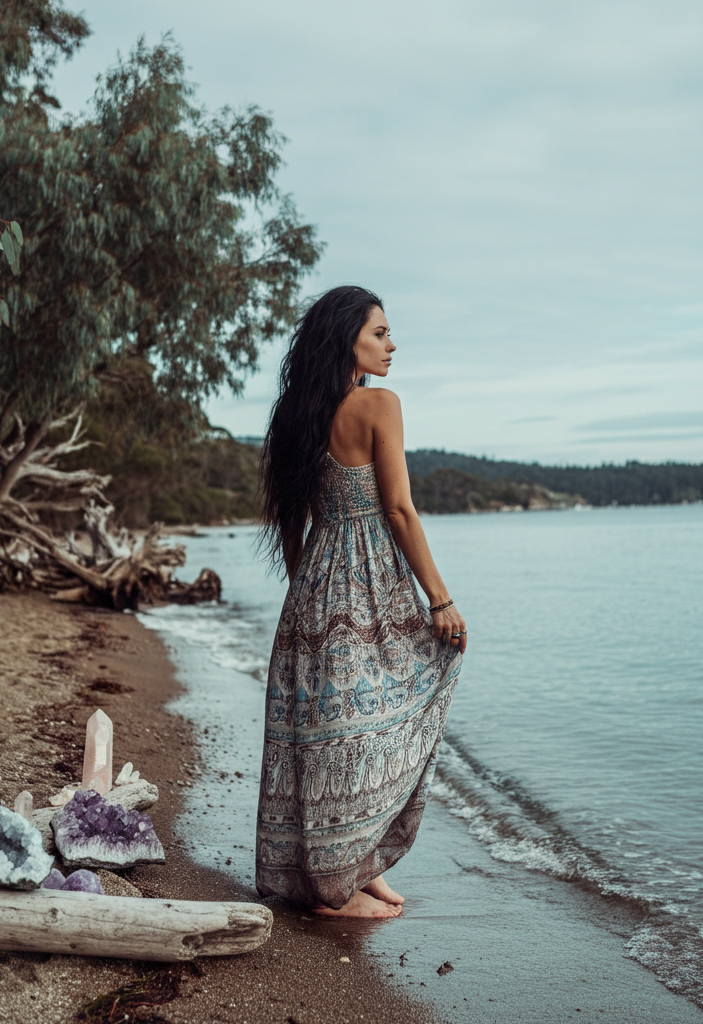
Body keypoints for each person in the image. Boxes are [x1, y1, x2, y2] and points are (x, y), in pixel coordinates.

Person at [255, 285, 467, 919]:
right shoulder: (379, 405)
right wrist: (440, 598)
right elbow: (399, 509)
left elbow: (292, 523)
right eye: (380, 332)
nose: (391, 345)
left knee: (331, 733)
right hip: (371, 578)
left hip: (315, 587)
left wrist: (304, 596)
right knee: (360, 733)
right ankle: (330, 894)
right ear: (348, 337)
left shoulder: (294, 415)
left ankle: (354, 865)